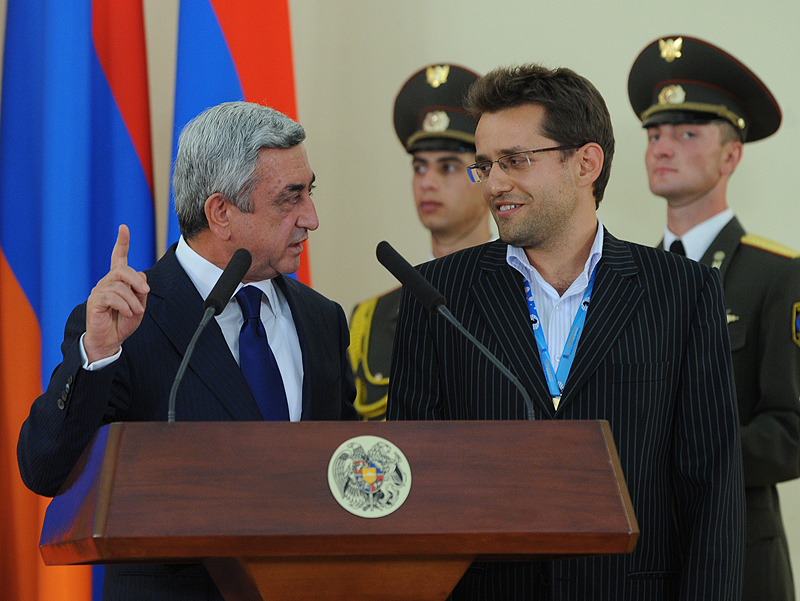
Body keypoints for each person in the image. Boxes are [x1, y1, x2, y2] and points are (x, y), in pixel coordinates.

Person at [387, 63, 745, 600]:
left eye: (515, 161)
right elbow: (411, 485)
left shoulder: (681, 291)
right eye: (484, 165)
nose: (495, 184)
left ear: (586, 163)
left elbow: (711, 489)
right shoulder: (437, 295)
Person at [17, 101, 357, 600]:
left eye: (310, 192)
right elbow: (46, 468)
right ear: (221, 213)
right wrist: (97, 356)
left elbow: (341, 466)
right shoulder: (127, 322)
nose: (312, 218)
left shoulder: (321, 318)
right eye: (291, 198)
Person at [628, 35, 800, 601]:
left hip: (738, 558)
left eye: (686, 133)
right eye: (654, 134)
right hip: (641, 559)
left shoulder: (778, 276)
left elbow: (791, 431)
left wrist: (688, 455)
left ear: (731, 156)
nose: (662, 148)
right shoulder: (621, 280)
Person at [349, 64, 492, 420]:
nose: (427, 182)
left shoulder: (526, 295)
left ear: (486, 176)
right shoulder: (371, 318)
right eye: (419, 167)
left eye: (448, 167)